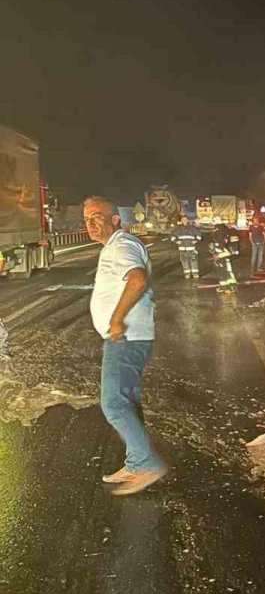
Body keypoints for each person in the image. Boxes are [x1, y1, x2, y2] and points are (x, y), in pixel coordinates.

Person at [84, 196, 168, 496]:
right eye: (87, 219)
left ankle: (146, 463)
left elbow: (137, 279)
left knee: (114, 403)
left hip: (126, 337)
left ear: (115, 219)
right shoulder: (114, 246)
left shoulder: (121, 245)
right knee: (127, 401)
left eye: (97, 216)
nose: (91, 223)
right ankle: (136, 462)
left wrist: (117, 319)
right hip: (130, 336)